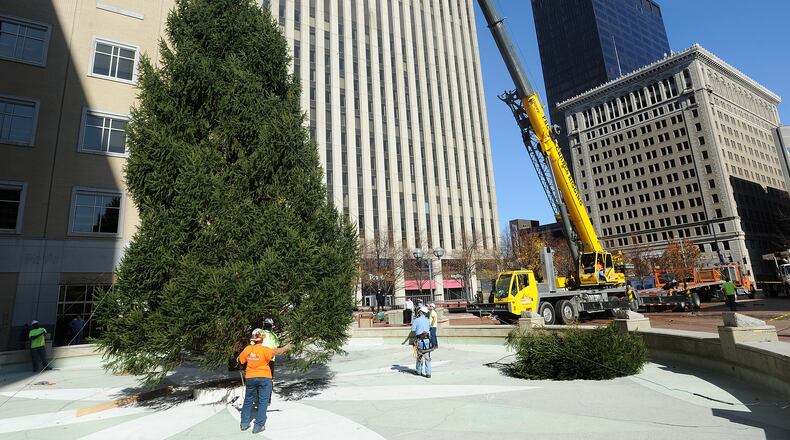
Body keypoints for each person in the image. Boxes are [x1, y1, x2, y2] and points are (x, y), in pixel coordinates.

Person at [238, 328, 291, 434]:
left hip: (250, 378)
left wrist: (239, 358)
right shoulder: (265, 350)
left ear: (253, 339)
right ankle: (258, 425)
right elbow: (276, 352)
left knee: (248, 400)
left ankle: (244, 423)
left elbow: (241, 360)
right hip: (264, 378)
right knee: (263, 402)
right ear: (261, 339)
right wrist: (286, 347)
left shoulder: (247, 349)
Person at [411, 306, 432, 378]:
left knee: (419, 356)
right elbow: (429, 328)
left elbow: (413, 330)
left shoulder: (416, 320)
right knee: (427, 357)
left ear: (420, 312)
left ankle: (419, 371)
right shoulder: (427, 320)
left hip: (420, 340)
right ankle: (428, 373)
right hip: (427, 340)